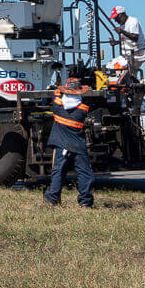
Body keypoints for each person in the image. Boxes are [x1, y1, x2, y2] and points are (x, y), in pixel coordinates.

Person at [43, 70, 97, 208]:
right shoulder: (83, 108)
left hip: (62, 144)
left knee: (58, 171)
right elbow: (89, 98)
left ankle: (52, 199)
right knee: (85, 173)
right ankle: (85, 202)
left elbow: (56, 94)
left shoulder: (58, 106)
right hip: (78, 145)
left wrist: (58, 88)